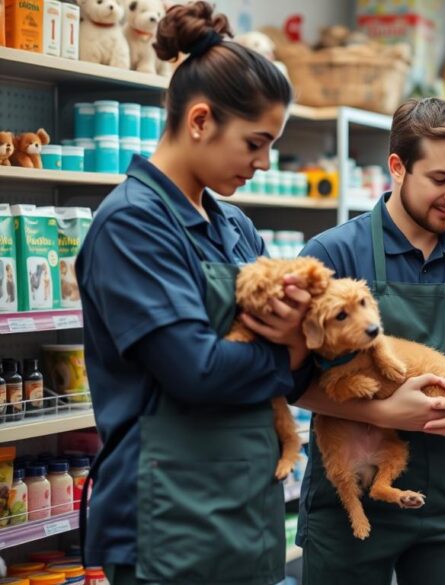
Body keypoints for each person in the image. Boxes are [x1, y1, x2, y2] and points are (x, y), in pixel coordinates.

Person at [76, 4, 313, 584]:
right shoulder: (131, 225)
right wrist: (293, 350)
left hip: (245, 510)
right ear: (201, 120)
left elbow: (302, 348)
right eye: (255, 143)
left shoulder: (234, 227)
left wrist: (301, 345)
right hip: (167, 521)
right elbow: (196, 371)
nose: (262, 164)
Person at [295, 97, 445, 585]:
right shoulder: (333, 252)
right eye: (440, 180)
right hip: (351, 500)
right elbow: (290, 380)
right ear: (397, 167)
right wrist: (382, 412)